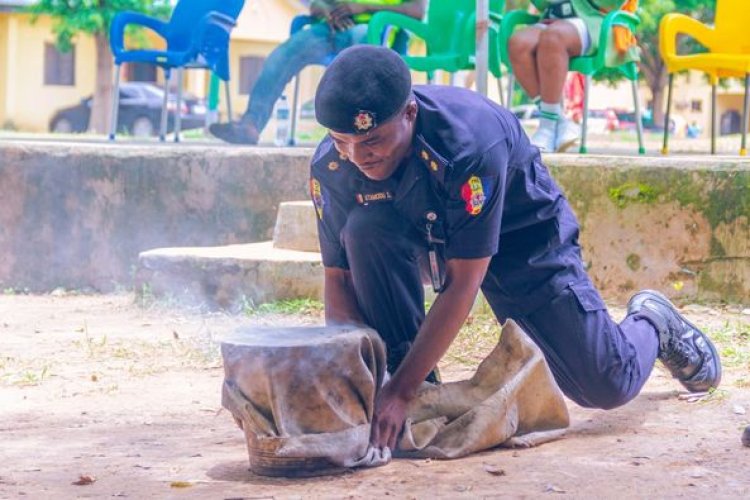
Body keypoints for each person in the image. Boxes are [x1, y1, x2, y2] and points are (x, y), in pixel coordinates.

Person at [309, 45, 722, 450]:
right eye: (342, 141)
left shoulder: (468, 144)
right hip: (421, 233)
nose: (356, 156)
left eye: (372, 141)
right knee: (364, 230)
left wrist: (396, 394)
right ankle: (417, 394)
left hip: (520, 240)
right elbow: (338, 280)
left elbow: (462, 285)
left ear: (410, 113)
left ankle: (654, 321)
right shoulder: (332, 165)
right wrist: (354, 378)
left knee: (605, 383)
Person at [208, 0, 426, 145]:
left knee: (355, 60)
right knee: (282, 55)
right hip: (329, 28)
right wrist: (322, 8)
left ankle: (349, 134)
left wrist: (363, 7)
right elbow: (317, 3)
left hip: (373, 29)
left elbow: (417, 10)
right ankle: (251, 125)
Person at [507, 0, 636, 152]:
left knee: (553, 37)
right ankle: (561, 120)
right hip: (552, 19)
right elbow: (541, 4)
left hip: (593, 21)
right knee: (518, 43)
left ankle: (547, 127)